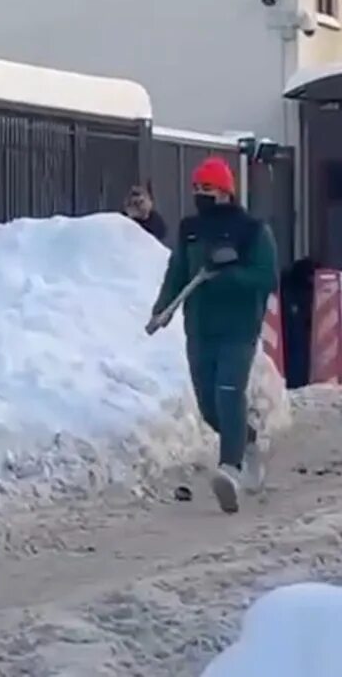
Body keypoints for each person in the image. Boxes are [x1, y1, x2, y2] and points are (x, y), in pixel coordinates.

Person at [147, 156, 277, 514]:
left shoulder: (252, 231)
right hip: (200, 329)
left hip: (237, 328)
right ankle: (246, 440)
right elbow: (177, 272)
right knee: (209, 406)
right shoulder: (191, 229)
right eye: (197, 189)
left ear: (226, 192)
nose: (201, 195)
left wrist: (228, 274)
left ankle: (231, 470)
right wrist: (163, 307)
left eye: (209, 189)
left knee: (228, 392)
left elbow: (266, 277)